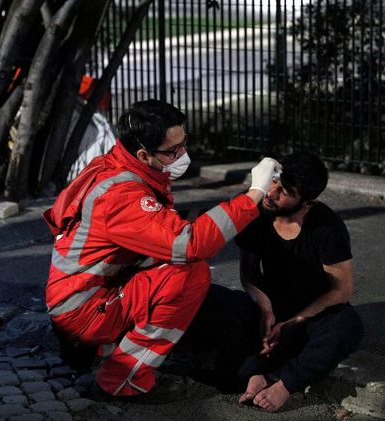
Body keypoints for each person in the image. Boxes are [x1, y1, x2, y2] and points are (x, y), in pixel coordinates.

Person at [42, 99, 281, 401]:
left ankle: (99, 348)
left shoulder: (119, 165)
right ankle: (121, 378)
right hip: (86, 307)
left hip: (90, 292)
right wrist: (254, 193)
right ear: (143, 153)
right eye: (172, 151)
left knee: (216, 298)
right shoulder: (121, 194)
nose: (182, 154)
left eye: (183, 143)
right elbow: (189, 243)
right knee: (189, 274)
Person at [193, 152, 363, 412]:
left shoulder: (327, 227)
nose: (271, 192)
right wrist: (265, 308)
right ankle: (255, 373)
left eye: (284, 190)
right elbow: (249, 273)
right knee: (205, 296)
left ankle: (284, 383)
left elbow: (342, 289)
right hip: (272, 310)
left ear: (306, 202)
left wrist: (294, 323)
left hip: (312, 315)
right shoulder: (257, 213)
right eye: (273, 182)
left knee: (346, 325)